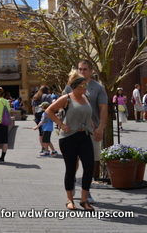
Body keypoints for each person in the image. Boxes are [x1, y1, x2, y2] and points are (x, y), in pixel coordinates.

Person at [46, 71, 94, 211]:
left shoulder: (86, 98)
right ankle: (69, 199)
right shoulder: (67, 98)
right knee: (71, 169)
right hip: (68, 138)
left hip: (84, 136)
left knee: (89, 167)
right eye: (82, 85)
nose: (85, 87)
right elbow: (49, 111)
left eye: (86, 85)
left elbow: (86, 112)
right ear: (75, 86)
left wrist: (90, 122)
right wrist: (61, 124)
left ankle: (84, 200)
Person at [64, 59, 107, 203]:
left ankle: (86, 191)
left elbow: (103, 109)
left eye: (85, 69)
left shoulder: (98, 88)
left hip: (91, 131)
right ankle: (73, 182)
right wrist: (61, 124)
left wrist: (101, 127)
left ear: (91, 71)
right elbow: (63, 105)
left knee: (89, 163)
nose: (81, 72)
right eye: (80, 69)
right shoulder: (70, 86)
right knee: (73, 161)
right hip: (72, 130)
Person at [32, 86, 52, 153]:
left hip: (38, 115)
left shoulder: (35, 96)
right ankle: (46, 148)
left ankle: (43, 147)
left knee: (40, 132)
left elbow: (34, 107)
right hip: (45, 114)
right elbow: (51, 105)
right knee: (46, 132)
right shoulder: (48, 96)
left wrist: (34, 116)